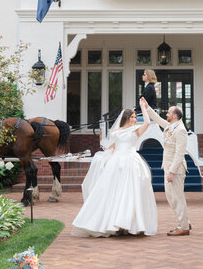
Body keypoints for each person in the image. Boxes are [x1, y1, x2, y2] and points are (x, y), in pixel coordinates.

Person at [71, 101, 157, 237]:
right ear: (126, 118)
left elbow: (147, 123)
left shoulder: (136, 130)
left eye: (135, 117)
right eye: (133, 117)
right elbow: (112, 147)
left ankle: (128, 225)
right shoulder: (116, 132)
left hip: (132, 162)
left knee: (130, 194)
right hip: (116, 163)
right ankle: (110, 224)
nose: (135, 119)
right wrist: (101, 158)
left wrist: (143, 109)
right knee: (112, 193)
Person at [141, 97, 190, 236]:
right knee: (171, 197)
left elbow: (180, 154)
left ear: (174, 116)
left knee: (177, 197)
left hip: (176, 169)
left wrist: (172, 172)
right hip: (167, 167)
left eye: (168, 113)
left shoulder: (180, 130)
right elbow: (157, 119)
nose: (166, 115)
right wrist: (147, 107)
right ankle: (185, 221)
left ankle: (183, 226)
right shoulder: (171, 126)